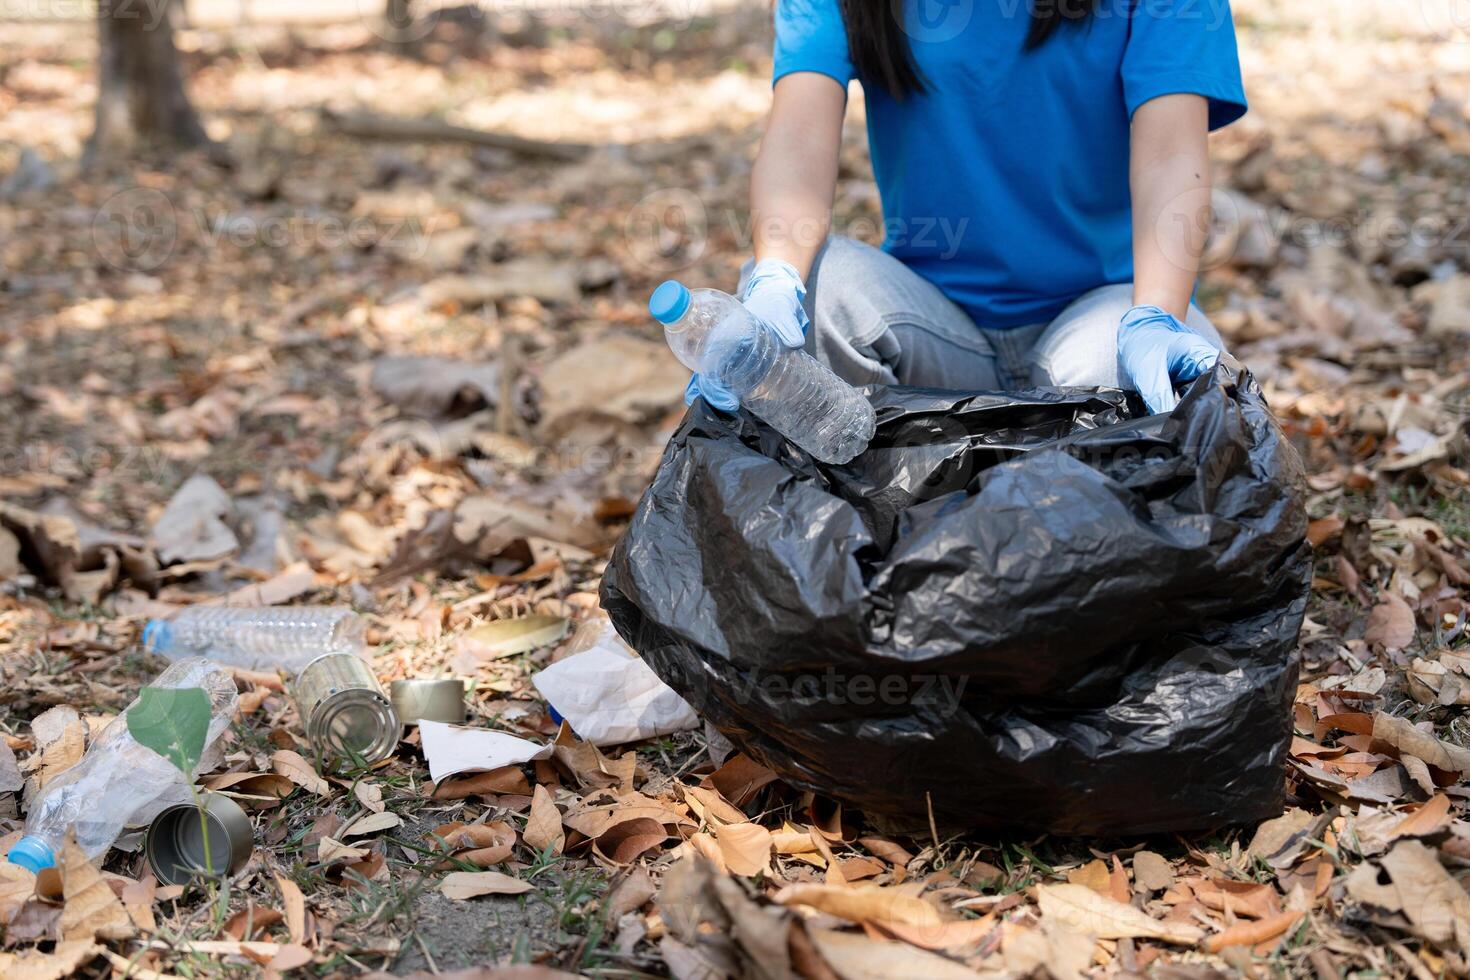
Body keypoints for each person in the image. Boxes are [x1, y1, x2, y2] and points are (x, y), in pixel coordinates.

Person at [686, 0, 1246, 416]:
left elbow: (1171, 155)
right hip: (929, 329)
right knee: (806, 295)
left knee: (1157, 387)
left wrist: (1157, 316)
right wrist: (777, 280)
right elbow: (800, 135)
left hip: (1104, 315)